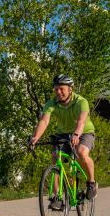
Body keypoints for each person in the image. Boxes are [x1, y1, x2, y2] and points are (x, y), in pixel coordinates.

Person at [30, 74, 98, 202]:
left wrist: (77, 134)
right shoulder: (51, 103)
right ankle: (57, 197)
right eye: (56, 89)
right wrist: (35, 137)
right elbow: (44, 121)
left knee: (81, 153)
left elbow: (81, 121)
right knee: (56, 156)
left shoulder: (81, 101)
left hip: (84, 132)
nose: (58, 92)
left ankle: (91, 183)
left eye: (62, 88)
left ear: (70, 89)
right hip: (63, 133)